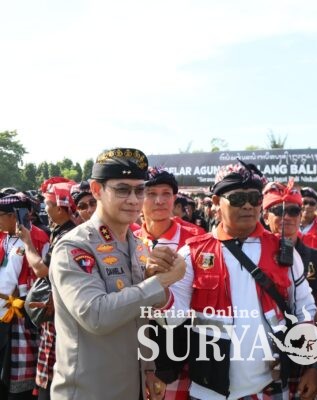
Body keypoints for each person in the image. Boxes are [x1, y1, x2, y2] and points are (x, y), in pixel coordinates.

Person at [161, 161, 317, 400]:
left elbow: (305, 308)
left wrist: (312, 365)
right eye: (237, 199)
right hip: (210, 391)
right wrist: (160, 288)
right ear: (216, 202)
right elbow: (172, 319)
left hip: (270, 388)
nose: (247, 205)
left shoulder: (284, 251)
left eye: (254, 198)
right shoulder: (191, 253)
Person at [49, 148, 186, 400]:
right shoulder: (74, 246)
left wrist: (148, 368)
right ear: (96, 190)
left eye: (139, 190)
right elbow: (95, 315)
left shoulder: (138, 245)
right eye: (122, 190)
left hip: (132, 386)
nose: (134, 200)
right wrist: (162, 281)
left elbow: (138, 316)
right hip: (89, 391)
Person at [135, 166, 203, 400]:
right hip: (139, 350)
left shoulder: (197, 238)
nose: (159, 200)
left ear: (175, 198)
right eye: (151, 193)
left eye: (166, 194)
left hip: (184, 351)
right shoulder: (128, 238)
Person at [18, 177, 78, 400]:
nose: (45, 208)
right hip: (56, 314)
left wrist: (27, 242)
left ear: (61, 208)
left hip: (61, 316)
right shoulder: (61, 230)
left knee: (54, 380)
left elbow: (42, 270)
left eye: (48, 204)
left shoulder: (66, 235)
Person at [0, 193, 50, 399]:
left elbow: (42, 275)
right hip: (4, 309)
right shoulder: (4, 236)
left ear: (13, 216)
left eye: (0, 215)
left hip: (23, 311)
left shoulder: (37, 237)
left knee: (20, 372)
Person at [262, 180, 317, 303]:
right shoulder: (254, 255)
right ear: (265, 217)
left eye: (293, 211)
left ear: (300, 215)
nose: (286, 217)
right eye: (279, 211)